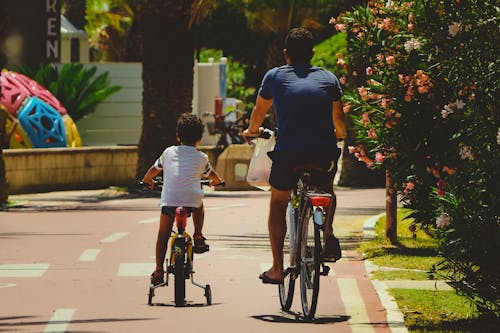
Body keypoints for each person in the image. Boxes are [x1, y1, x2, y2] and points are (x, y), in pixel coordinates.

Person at [242, 27, 347, 284]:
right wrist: (340, 134)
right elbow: (340, 120)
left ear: (286, 53)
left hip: (288, 154)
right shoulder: (329, 78)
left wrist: (252, 131)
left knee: (278, 203)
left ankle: (277, 268)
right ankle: (329, 231)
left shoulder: (274, 77)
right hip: (322, 152)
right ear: (312, 53)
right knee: (326, 188)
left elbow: (259, 110)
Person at [142, 113, 223, 285]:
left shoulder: (168, 152)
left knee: (163, 234)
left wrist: (147, 180)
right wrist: (216, 181)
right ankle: (199, 235)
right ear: (200, 138)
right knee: (200, 205)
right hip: (191, 200)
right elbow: (213, 176)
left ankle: (158, 271)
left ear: (178, 136)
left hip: (170, 201)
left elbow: (153, 170)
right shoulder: (202, 158)